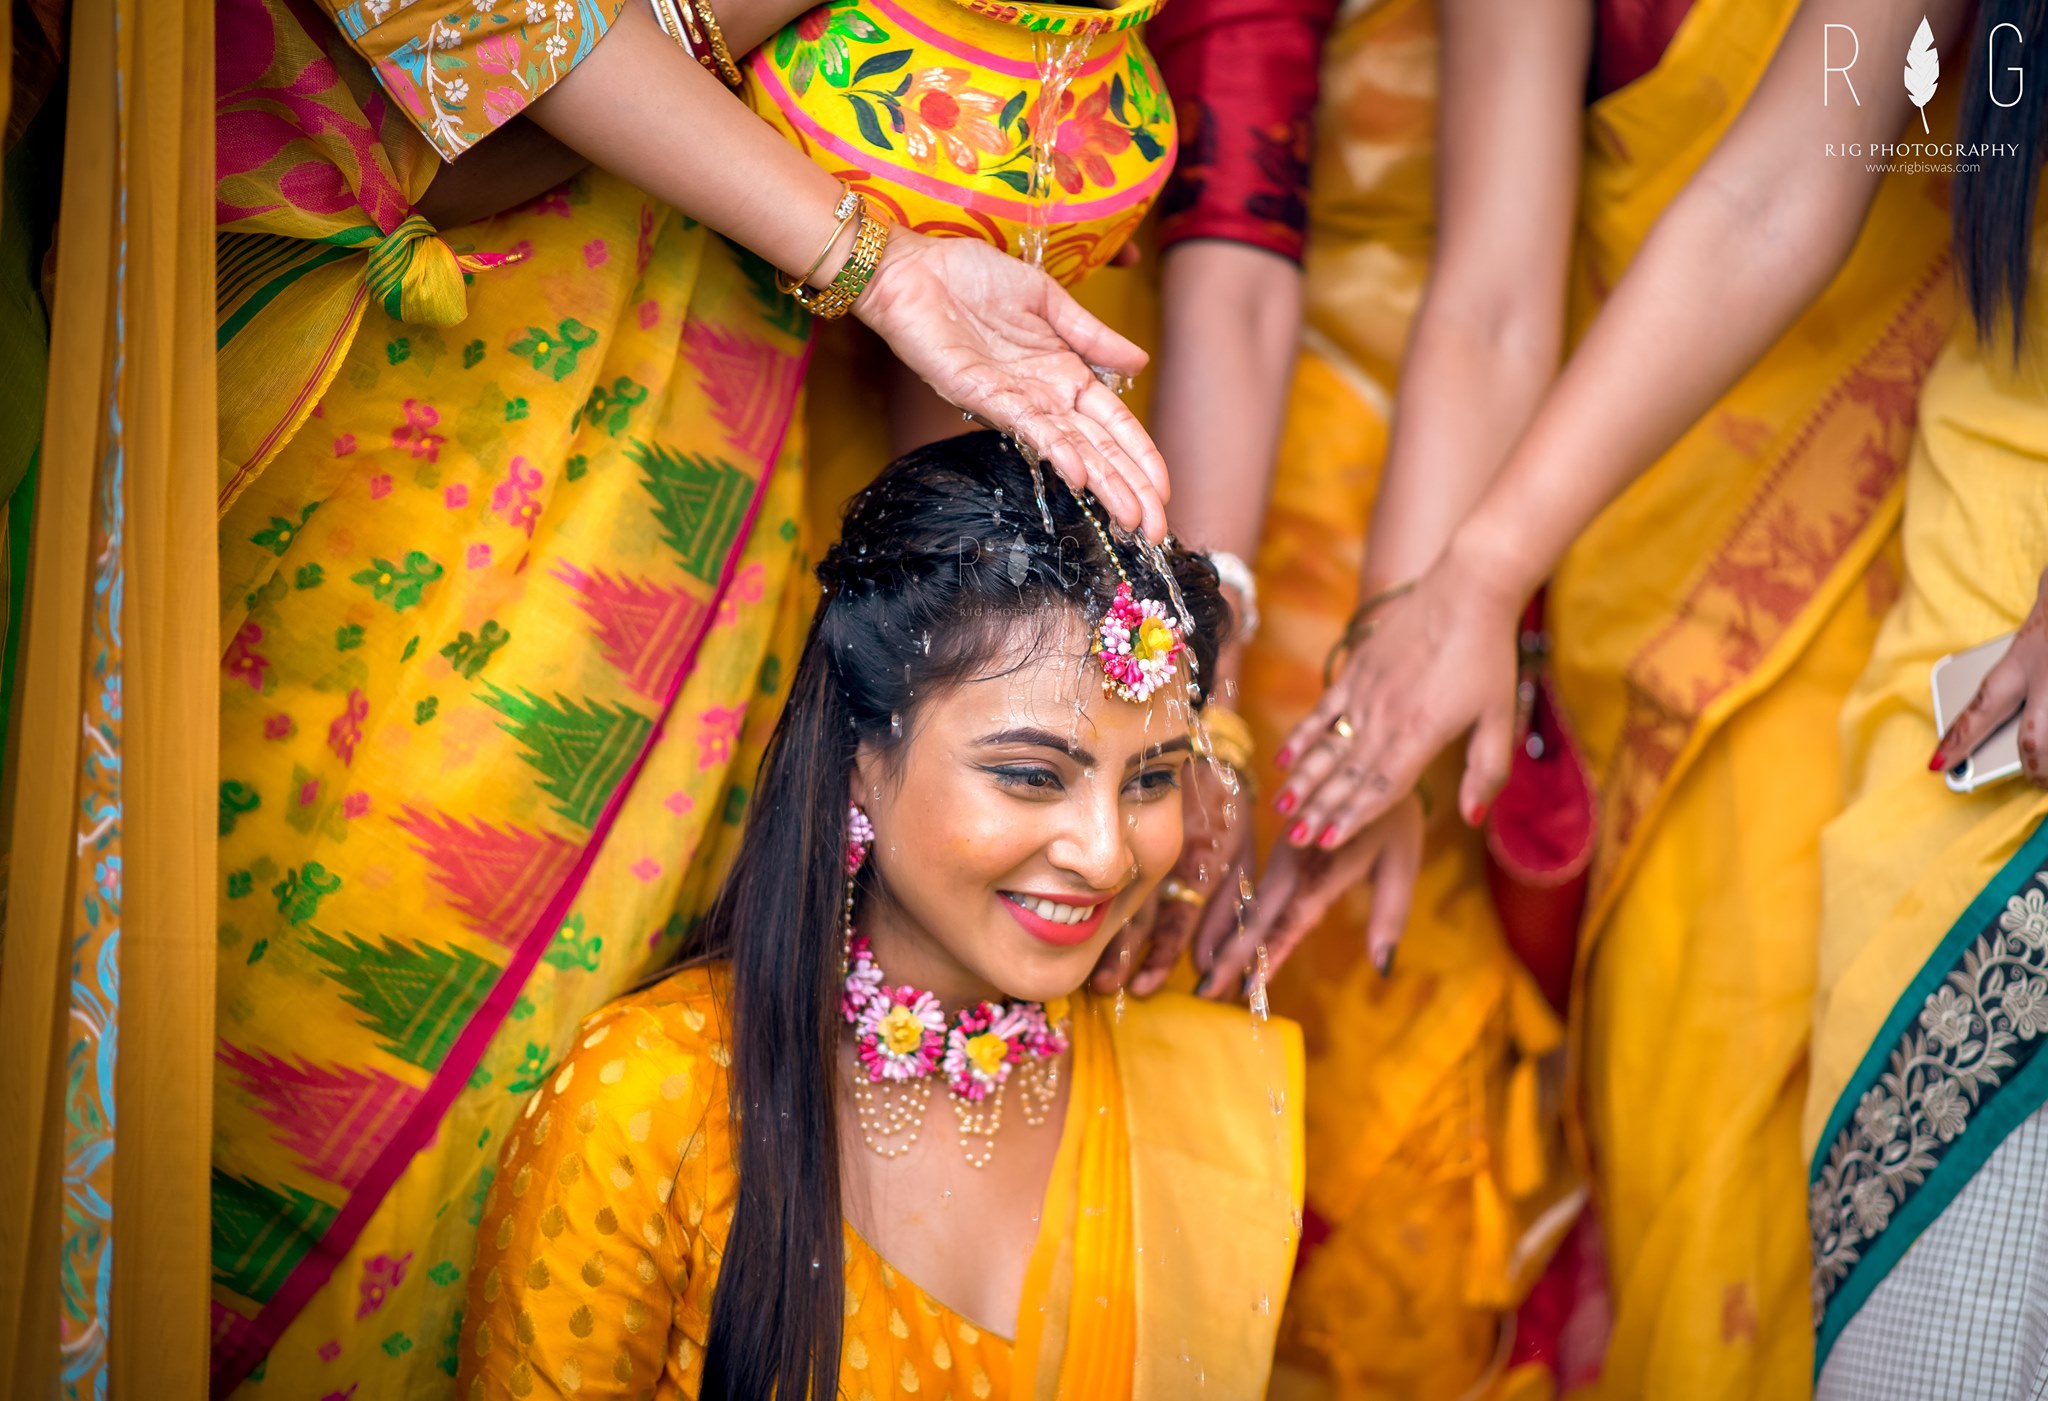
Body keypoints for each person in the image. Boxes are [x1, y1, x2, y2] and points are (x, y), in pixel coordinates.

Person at [207, 0, 1183, 1391]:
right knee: (344, 1016)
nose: (1100, 843)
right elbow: (461, 44)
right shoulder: (659, 1076)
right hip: (431, 415)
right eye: (1041, 779)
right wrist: (872, 262)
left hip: (721, 461)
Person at [1262, 0, 1963, 1395]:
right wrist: (1389, 686)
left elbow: (1787, 189)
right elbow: (1490, 301)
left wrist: (1479, 575)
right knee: (1675, 1139)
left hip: (1924, 525)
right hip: (1627, 531)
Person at [457, 431, 1304, 1399]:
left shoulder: (1196, 1103)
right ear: (860, 759)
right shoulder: (653, 1100)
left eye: (1150, 780)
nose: (1106, 854)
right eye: (1031, 776)